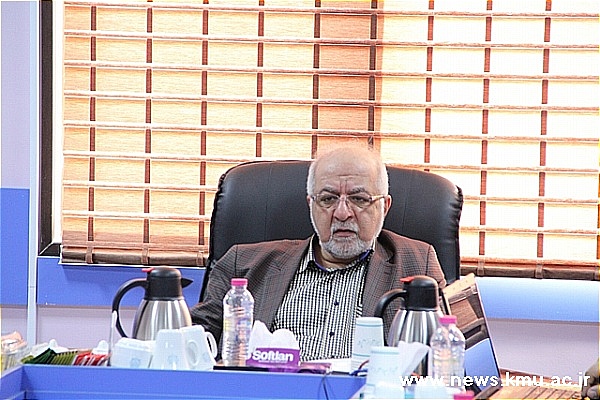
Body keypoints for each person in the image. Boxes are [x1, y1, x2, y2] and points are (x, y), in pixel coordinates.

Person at [190, 144, 446, 362]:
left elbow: (443, 356)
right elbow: (191, 341)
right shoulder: (243, 264)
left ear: (384, 206)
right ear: (311, 204)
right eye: (328, 199)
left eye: (359, 199)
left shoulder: (417, 264)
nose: (342, 213)